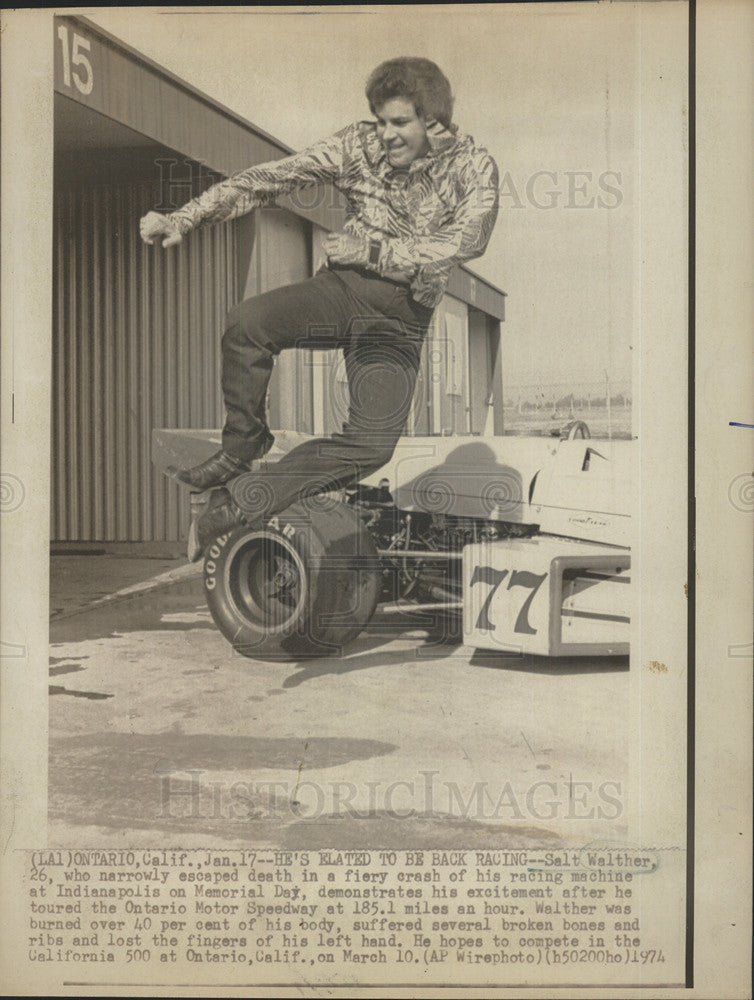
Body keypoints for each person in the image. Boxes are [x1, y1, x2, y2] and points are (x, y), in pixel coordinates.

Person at [140, 57, 499, 561]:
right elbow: (272, 178)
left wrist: (375, 252)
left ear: (434, 122)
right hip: (343, 292)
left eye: (400, 123)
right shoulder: (357, 145)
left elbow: (466, 240)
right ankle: (242, 446)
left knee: (372, 447)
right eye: (380, 121)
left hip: (399, 320)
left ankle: (236, 504)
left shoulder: (471, 167)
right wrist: (187, 216)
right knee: (246, 323)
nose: (387, 135)